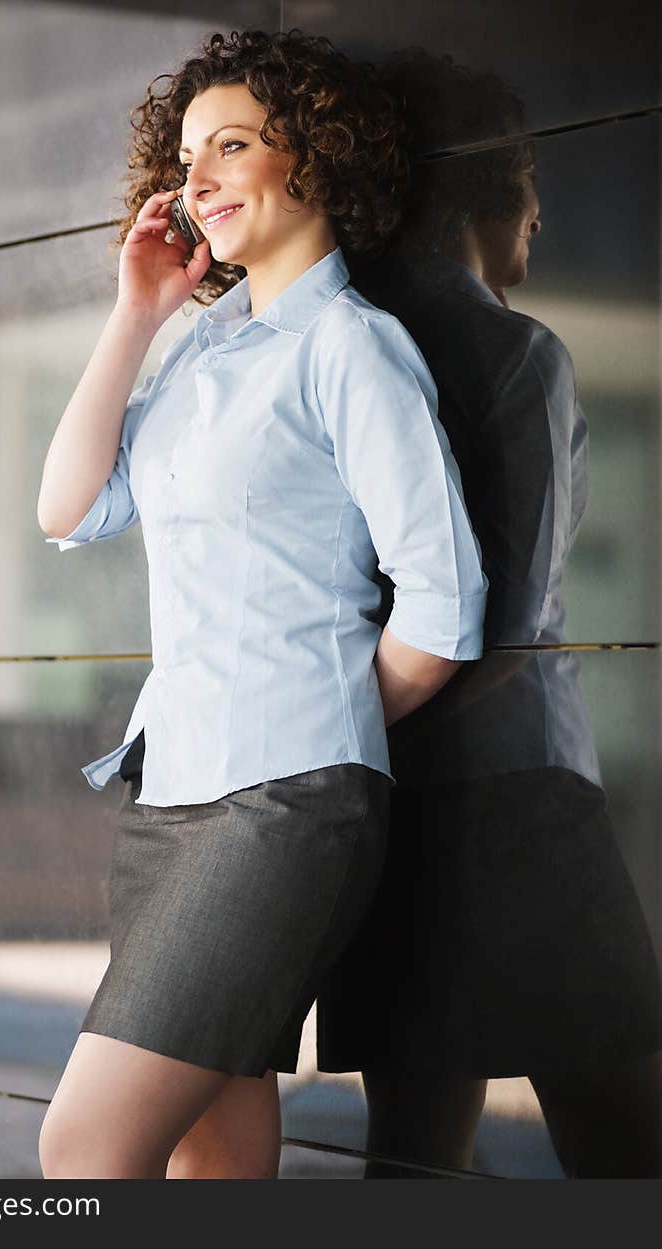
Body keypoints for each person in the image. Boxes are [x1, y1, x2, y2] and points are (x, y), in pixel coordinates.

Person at [35, 29, 487, 1180]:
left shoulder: (351, 347)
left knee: (84, 1146)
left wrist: (314, 724)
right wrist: (136, 313)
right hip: (169, 791)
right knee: (214, 1155)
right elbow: (67, 508)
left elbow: (441, 603)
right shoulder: (197, 354)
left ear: (315, 161)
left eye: (231, 145)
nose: (197, 179)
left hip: (278, 806)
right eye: (186, 156)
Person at [316, 49, 662, 1178]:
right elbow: (506, 625)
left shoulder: (336, 337)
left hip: (384, 797)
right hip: (519, 794)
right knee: (625, 1141)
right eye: (530, 179)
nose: (542, 214)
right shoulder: (516, 352)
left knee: (413, 1153)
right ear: (489, 188)